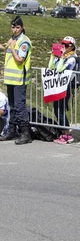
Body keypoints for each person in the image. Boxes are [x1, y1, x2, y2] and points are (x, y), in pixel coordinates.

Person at [0, 16, 32, 145]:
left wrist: (12, 48)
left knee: (20, 107)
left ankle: (26, 133)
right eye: (13, 27)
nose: (15, 30)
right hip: (10, 79)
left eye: (17, 27)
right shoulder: (13, 39)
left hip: (19, 79)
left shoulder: (23, 41)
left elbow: (20, 60)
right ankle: (12, 131)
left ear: (22, 27)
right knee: (12, 106)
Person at [48, 36, 78, 144]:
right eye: (62, 44)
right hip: (57, 86)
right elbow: (51, 67)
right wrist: (53, 55)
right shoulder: (61, 56)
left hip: (66, 87)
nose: (64, 47)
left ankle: (67, 134)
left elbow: (60, 69)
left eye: (66, 45)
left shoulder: (72, 58)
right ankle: (63, 132)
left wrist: (61, 57)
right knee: (56, 109)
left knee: (60, 110)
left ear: (72, 46)